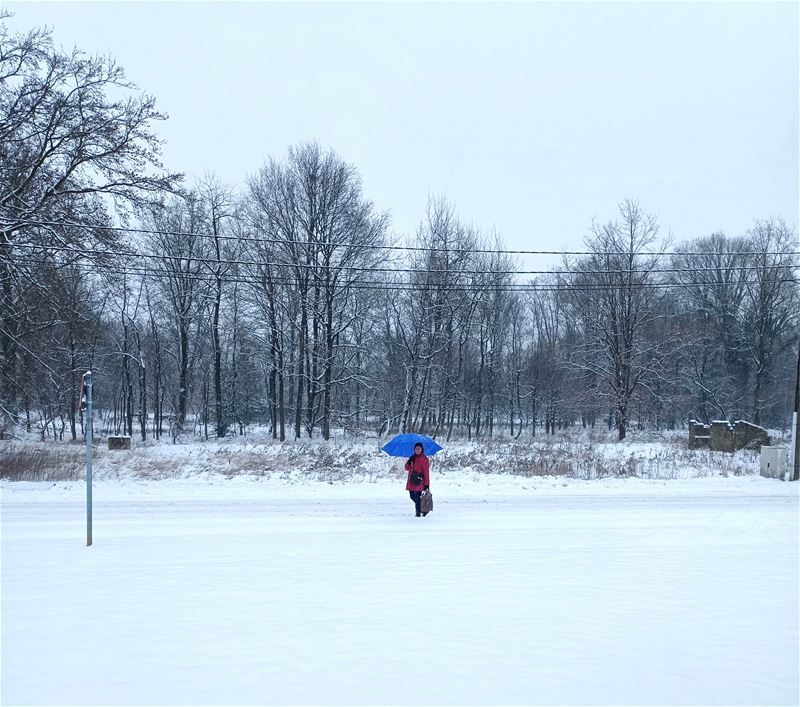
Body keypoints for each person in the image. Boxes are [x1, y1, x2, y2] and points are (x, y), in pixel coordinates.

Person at [405, 442, 430, 517]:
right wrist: (409, 462)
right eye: (416, 448)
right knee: (412, 496)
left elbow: (426, 472)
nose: (417, 450)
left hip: (419, 481)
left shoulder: (424, 459)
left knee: (417, 496)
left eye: (419, 448)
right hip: (412, 480)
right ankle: (423, 509)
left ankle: (418, 513)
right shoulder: (412, 457)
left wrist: (426, 484)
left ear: (422, 449)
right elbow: (407, 468)